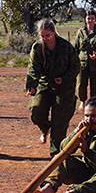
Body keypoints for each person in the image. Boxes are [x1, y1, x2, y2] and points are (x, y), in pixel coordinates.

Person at [27, 18, 80, 157]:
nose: (45, 39)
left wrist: (64, 78)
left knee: (60, 120)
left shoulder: (66, 47)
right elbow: (33, 68)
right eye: (42, 36)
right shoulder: (37, 48)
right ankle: (45, 128)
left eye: (48, 36)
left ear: (54, 32)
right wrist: (32, 86)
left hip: (64, 87)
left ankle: (56, 155)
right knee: (36, 111)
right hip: (45, 83)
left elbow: (76, 66)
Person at [74, 10, 96, 104]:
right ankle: (82, 102)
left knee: (95, 85)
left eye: (92, 18)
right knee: (81, 84)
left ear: (95, 19)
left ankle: (95, 104)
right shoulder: (81, 32)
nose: (90, 20)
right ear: (85, 19)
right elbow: (76, 47)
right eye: (88, 18)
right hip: (82, 62)